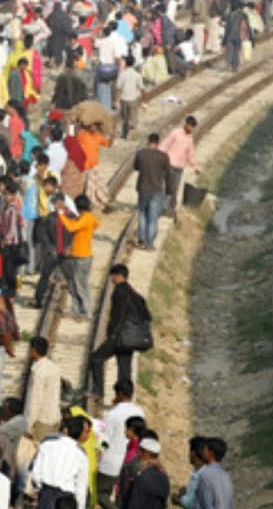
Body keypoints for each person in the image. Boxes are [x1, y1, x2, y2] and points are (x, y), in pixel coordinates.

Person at [87, 264, 150, 399]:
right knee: (124, 370)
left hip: (119, 337)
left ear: (119, 276)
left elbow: (118, 315)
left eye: (113, 276)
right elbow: (147, 316)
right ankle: (124, 398)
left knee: (96, 358)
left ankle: (98, 391)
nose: (112, 279)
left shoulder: (119, 292)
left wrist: (113, 334)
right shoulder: (135, 295)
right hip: (131, 339)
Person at [97, 379, 144, 509]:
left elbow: (105, 441)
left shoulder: (113, 414)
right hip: (131, 462)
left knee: (101, 493)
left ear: (120, 394)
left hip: (110, 462)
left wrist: (97, 452)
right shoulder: (139, 412)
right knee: (121, 495)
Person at [28, 415, 90, 509]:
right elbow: (81, 487)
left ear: (66, 430)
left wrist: (40, 489)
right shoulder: (81, 455)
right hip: (67, 499)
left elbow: (35, 472)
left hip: (46, 493)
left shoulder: (46, 444)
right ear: (80, 433)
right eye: (86, 432)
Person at [158, 116, 200, 220]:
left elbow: (190, 153)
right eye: (190, 126)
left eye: (192, 127)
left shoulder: (189, 139)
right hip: (168, 164)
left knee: (174, 189)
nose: (191, 129)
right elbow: (164, 145)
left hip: (179, 167)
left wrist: (195, 166)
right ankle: (162, 208)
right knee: (165, 187)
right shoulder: (175, 133)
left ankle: (171, 209)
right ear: (185, 124)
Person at [132, 134, 170, 250]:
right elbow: (167, 172)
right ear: (158, 143)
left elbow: (136, 167)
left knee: (142, 214)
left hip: (143, 188)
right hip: (156, 190)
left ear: (148, 141)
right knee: (153, 218)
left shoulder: (140, 154)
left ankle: (141, 239)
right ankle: (150, 244)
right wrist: (169, 190)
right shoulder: (163, 156)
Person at [25, 336, 61, 442]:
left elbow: (35, 400)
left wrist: (29, 424)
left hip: (42, 420)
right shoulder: (54, 367)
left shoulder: (38, 372)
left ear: (34, 350)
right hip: (55, 416)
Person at [193, 437, 234, 509]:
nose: (203, 453)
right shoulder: (226, 476)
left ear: (211, 453)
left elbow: (206, 504)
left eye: (205, 450)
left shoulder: (204, 475)